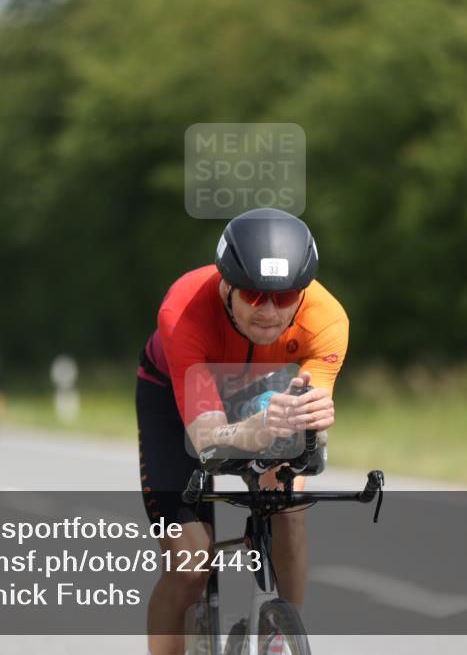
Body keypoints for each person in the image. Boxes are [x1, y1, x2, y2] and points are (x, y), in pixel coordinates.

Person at [136, 207, 349, 655]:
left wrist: (305, 428)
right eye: (254, 295)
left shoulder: (328, 319)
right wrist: (255, 431)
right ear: (227, 285)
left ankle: (279, 634)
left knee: (288, 510)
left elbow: (307, 423)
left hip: (261, 392)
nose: (270, 312)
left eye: (285, 297)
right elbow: (205, 438)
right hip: (177, 399)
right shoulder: (184, 310)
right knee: (190, 564)